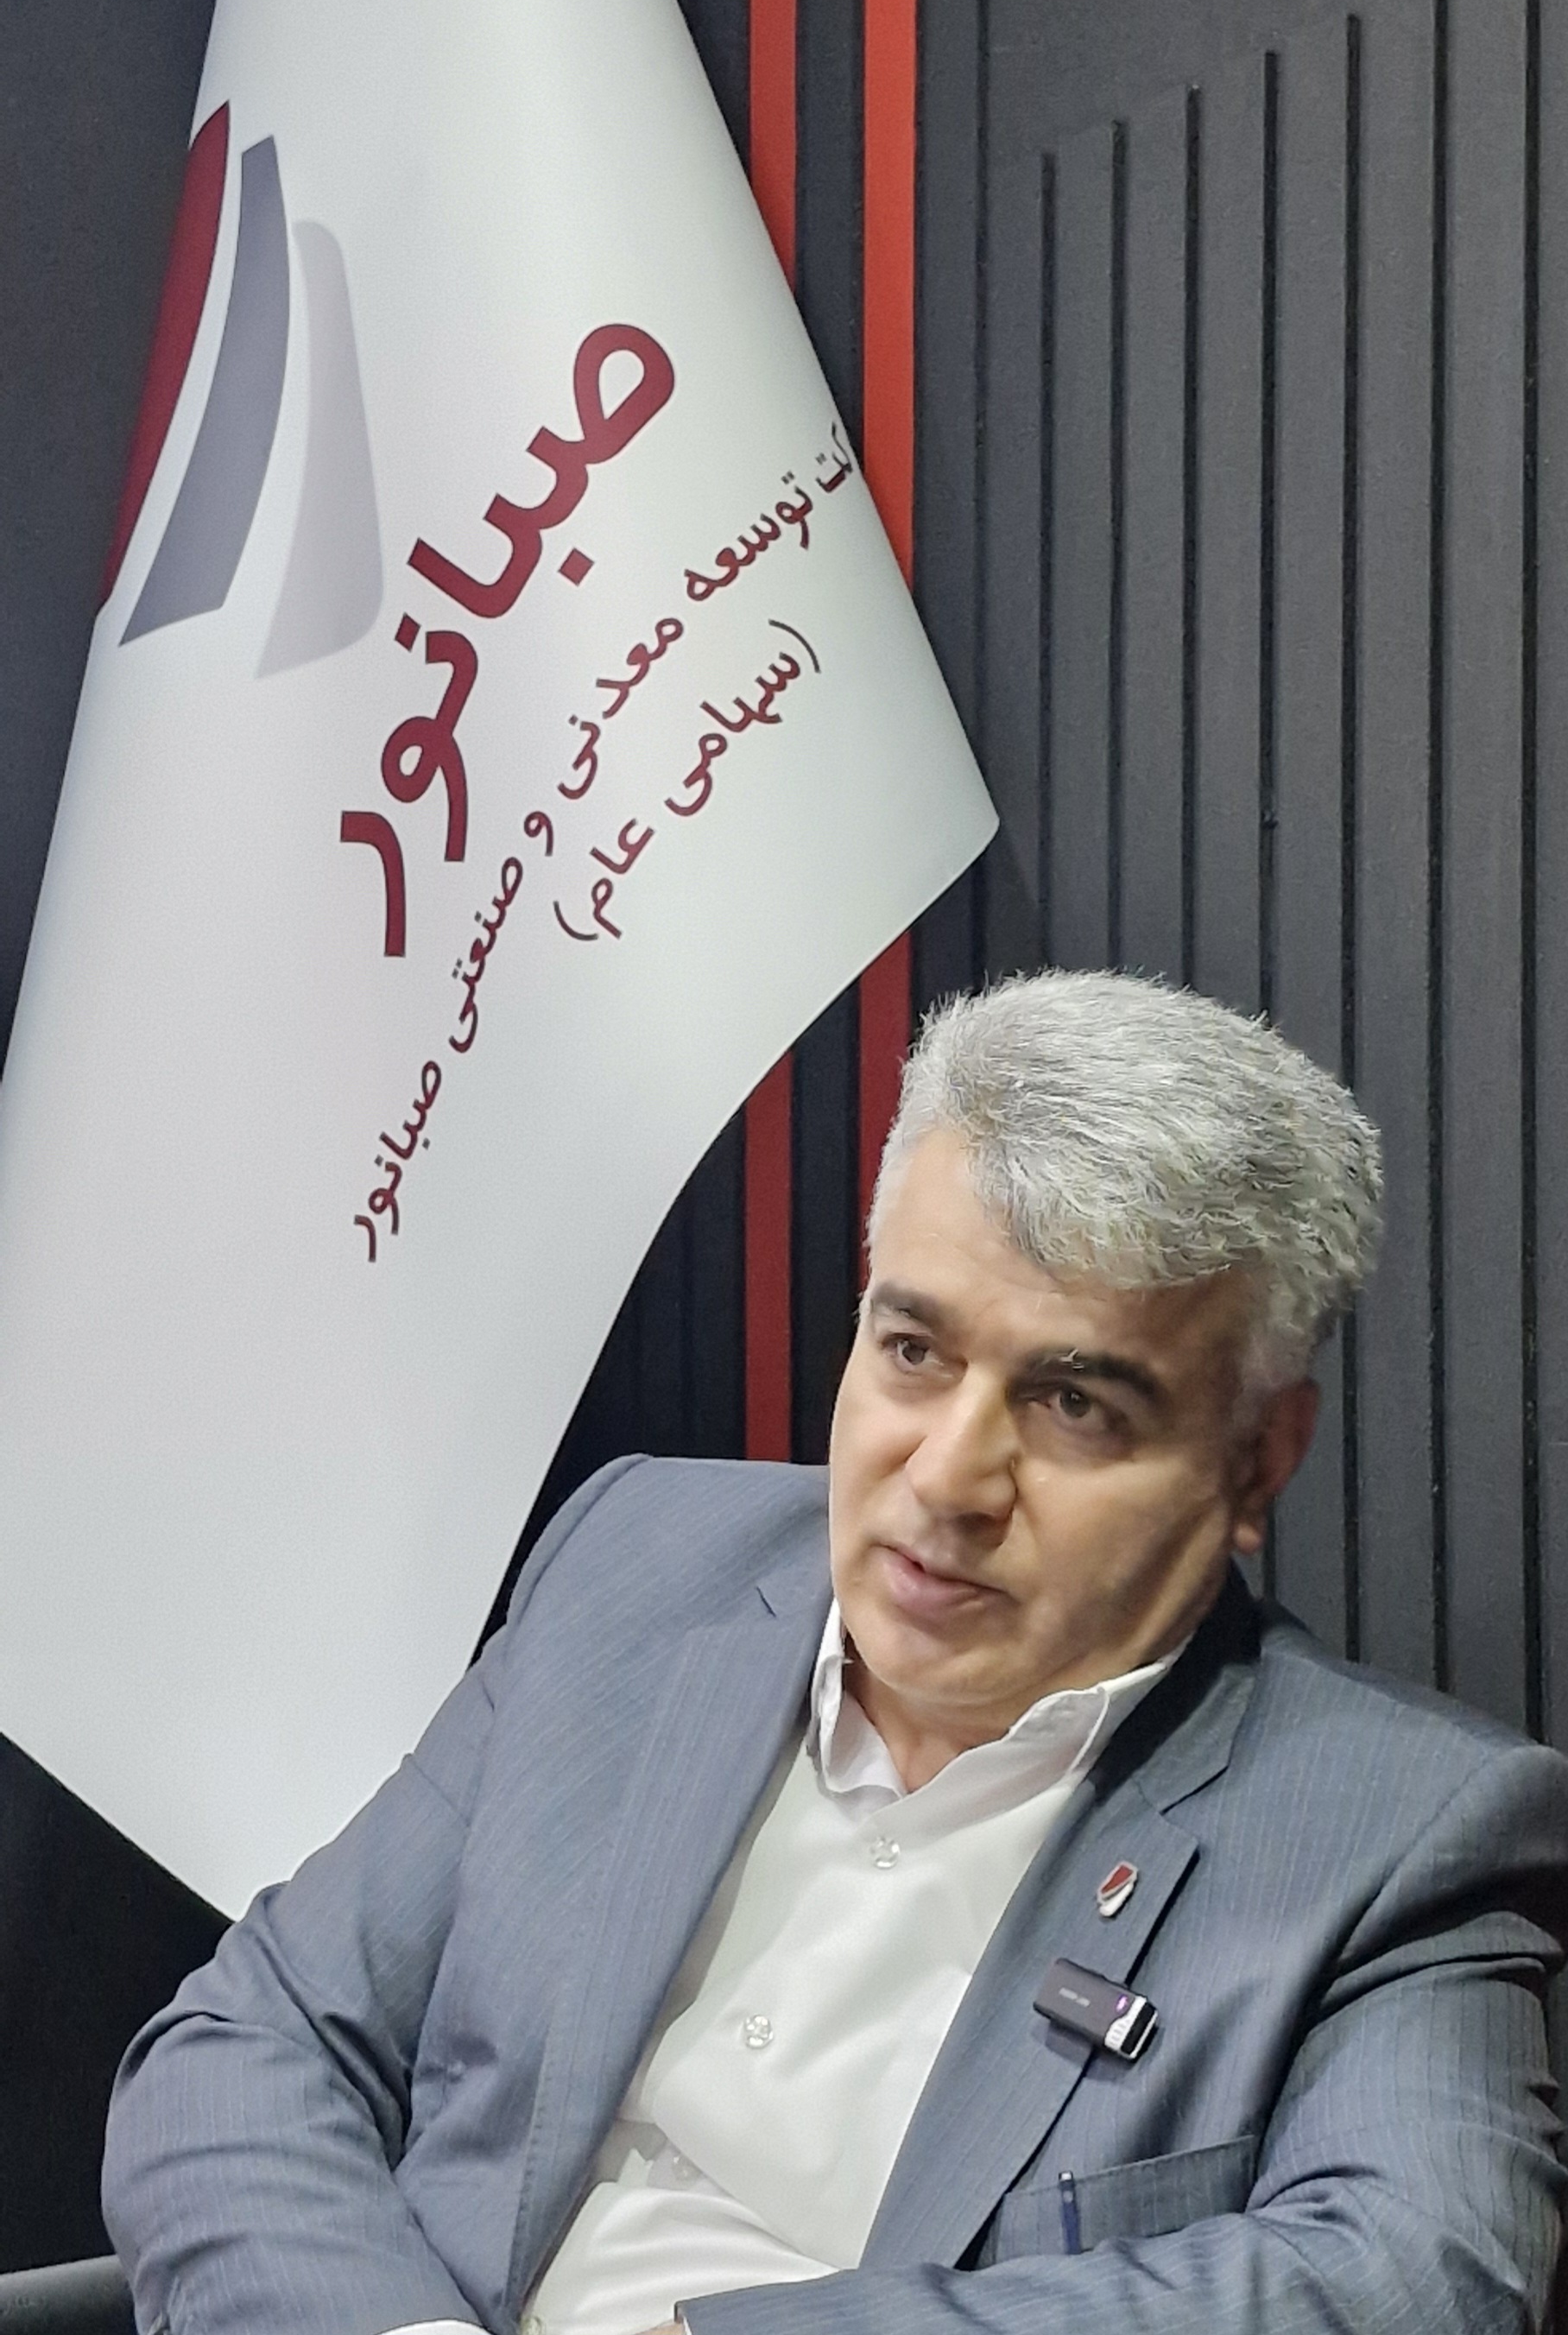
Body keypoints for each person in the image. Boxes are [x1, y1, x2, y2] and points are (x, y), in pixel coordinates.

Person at [103, 970, 1568, 2335]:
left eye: (1073, 1403)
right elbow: (252, 2043)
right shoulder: (642, 1566)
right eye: (914, 1350)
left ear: (1257, 1460)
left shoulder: (1392, 1837)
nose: (946, 1477)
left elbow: (1413, 2274)